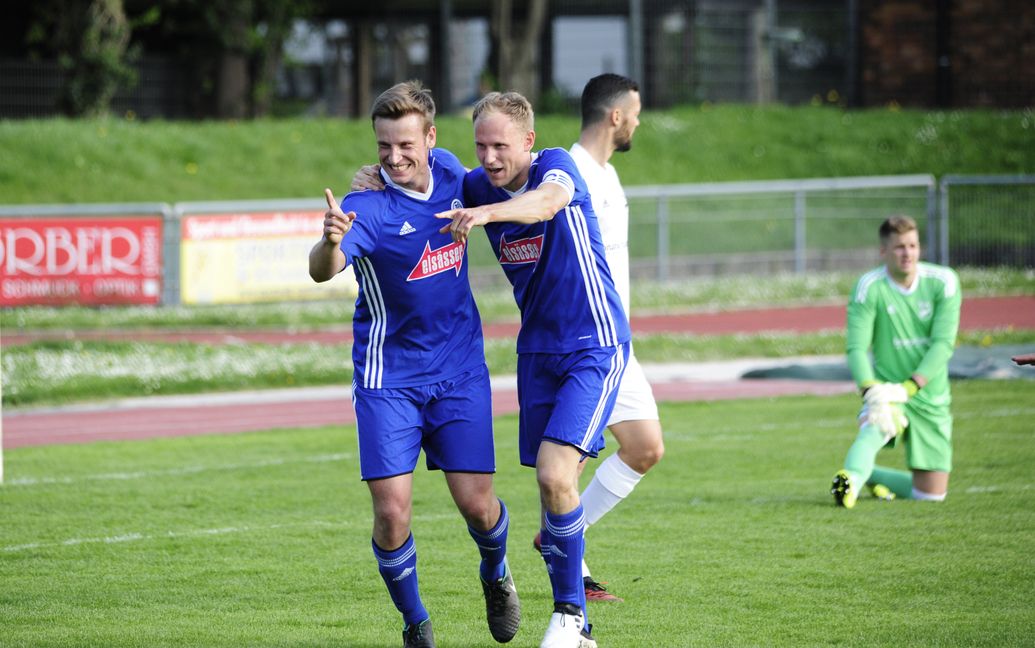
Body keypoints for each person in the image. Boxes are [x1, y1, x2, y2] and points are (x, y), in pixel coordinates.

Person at [308, 81, 519, 648]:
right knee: (392, 513)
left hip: (460, 370)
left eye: (405, 145)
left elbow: (502, 177)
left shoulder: (452, 171)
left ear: (430, 138)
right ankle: (415, 624)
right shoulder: (364, 209)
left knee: (478, 506)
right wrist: (330, 241)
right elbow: (321, 270)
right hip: (388, 380)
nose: (395, 158)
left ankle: (496, 573)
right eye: (383, 147)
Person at [436, 91, 630, 648]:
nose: (490, 157)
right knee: (552, 488)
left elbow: (547, 203)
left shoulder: (554, 166)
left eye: (501, 145)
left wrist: (488, 213)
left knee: (554, 475)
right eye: (481, 145)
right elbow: (422, 184)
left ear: (527, 140)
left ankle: (569, 615)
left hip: (595, 344)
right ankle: (582, 631)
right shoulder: (474, 184)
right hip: (537, 352)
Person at [555, 73, 664, 603]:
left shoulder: (607, 175)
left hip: (621, 344)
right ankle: (570, 567)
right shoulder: (571, 172)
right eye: (636, 112)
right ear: (615, 116)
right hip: (589, 344)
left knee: (644, 448)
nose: (638, 121)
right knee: (568, 462)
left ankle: (561, 538)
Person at [831, 215, 962, 509]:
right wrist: (870, 389)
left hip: (930, 393)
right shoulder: (869, 286)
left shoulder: (944, 282)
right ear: (883, 251)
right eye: (900, 247)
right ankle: (850, 479)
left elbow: (943, 344)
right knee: (876, 424)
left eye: (913, 245)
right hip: (888, 388)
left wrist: (912, 386)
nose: (908, 253)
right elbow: (856, 347)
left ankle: (868, 476)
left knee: (931, 495)